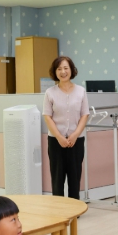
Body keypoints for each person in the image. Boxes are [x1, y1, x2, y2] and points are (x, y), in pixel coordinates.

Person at [43, 56, 89, 200]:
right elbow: (47, 116)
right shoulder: (50, 92)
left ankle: (74, 209)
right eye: (59, 69)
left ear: (71, 70)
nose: (63, 72)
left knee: (75, 180)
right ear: (55, 72)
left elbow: (85, 115)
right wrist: (59, 137)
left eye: (65, 68)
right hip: (56, 141)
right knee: (57, 180)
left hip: (77, 141)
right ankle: (59, 209)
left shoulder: (81, 91)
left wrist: (75, 134)